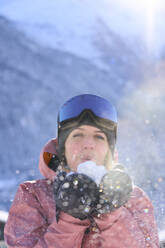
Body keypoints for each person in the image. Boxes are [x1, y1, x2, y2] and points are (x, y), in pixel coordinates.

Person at [4, 94, 159, 247]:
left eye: (99, 137)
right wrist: (70, 218)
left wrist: (110, 215)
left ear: (109, 150)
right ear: (63, 147)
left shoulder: (133, 199)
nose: (88, 144)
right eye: (77, 135)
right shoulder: (33, 195)